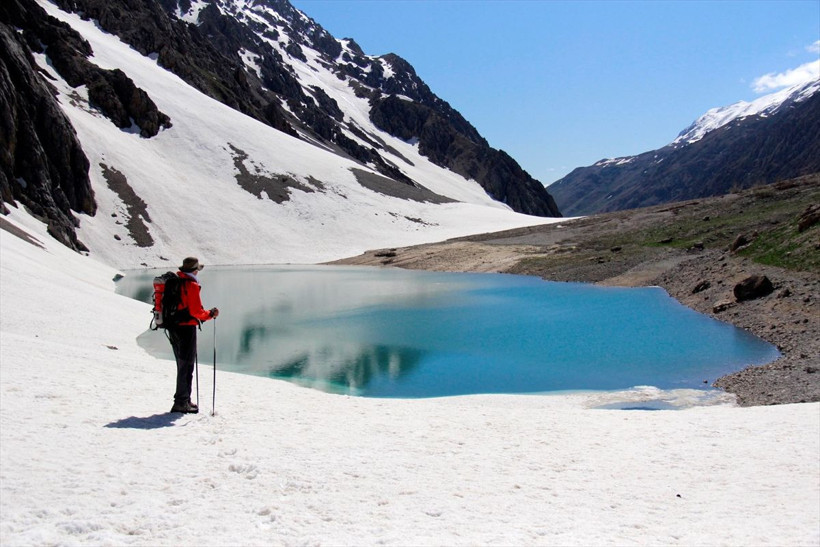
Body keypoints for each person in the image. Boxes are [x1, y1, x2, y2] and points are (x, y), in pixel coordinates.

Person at [168, 257, 219, 414]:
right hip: (186, 328)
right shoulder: (191, 285)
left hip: (173, 326)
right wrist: (210, 314)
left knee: (182, 363)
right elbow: (196, 312)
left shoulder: (177, 282)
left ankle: (183, 400)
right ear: (195, 270)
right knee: (187, 364)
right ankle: (181, 402)